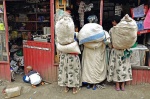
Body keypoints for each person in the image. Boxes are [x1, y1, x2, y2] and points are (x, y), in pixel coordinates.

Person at [56, 10, 82, 94]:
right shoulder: (70, 35)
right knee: (70, 71)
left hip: (68, 56)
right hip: (69, 56)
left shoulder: (70, 35)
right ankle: (70, 87)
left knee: (68, 71)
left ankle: (70, 87)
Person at [107, 15, 132, 91]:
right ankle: (123, 85)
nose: (112, 22)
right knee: (124, 67)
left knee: (116, 68)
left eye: (112, 21)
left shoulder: (112, 30)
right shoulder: (125, 29)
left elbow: (109, 41)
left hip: (116, 51)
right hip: (124, 51)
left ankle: (117, 85)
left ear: (115, 21)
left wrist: (111, 47)